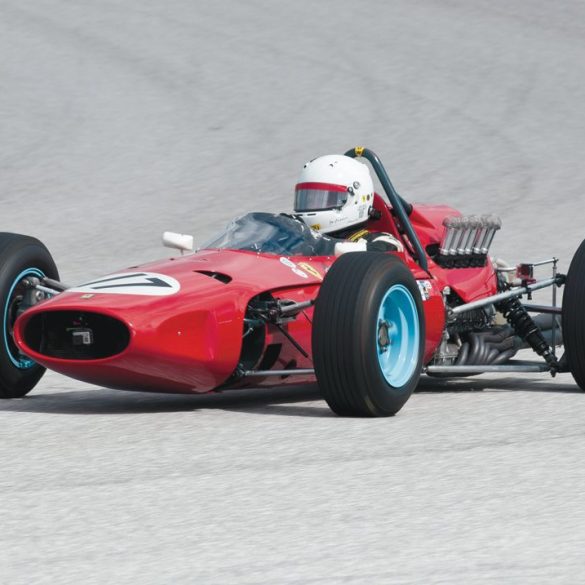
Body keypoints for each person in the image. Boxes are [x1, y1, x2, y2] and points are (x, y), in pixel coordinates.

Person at [293, 154, 404, 253]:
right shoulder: (302, 236)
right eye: (308, 199)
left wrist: (332, 248)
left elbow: (394, 249)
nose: (311, 205)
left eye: (323, 199)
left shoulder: (375, 240)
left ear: (355, 198)